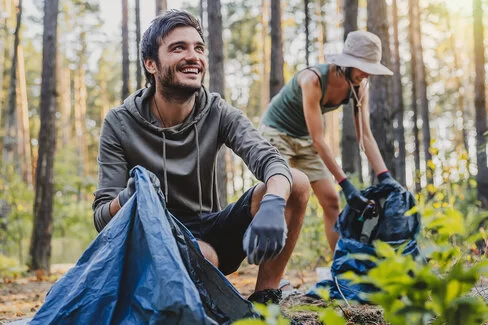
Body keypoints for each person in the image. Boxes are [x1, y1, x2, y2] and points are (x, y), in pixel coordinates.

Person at [92, 9, 310, 305]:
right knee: (203, 256)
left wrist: (272, 203)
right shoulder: (119, 123)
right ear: (151, 64)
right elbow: (102, 218)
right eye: (178, 48)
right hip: (155, 239)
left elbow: (269, 160)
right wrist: (128, 197)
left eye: (199, 48)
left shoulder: (217, 111)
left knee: (294, 182)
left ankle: (265, 299)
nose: (193, 56)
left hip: (212, 229)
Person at [259, 30, 401, 252]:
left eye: (370, 69)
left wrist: (385, 177)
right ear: (347, 63)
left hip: (304, 139)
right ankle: (270, 270)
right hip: (276, 134)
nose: (367, 75)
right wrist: (346, 185)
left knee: (332, 200)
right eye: (363, 67)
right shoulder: (312, 80)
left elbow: (365, 136)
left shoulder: (358, 86)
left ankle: (338, 266)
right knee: (284, 197)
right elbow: (319, 139)